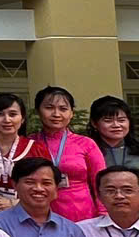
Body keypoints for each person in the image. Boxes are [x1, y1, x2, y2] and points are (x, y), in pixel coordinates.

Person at [30, 86, 108, 223]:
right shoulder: (30, 143)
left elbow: (101, 181)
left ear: (71, 113)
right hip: (39, 212)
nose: (56, 114)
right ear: (38, 111)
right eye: (49, 108)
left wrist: (104, 213)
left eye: (63, 109)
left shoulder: (86, 144)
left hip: (82, 214)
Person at [0, 91, 35, 213]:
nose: (7, 120)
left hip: (26, 213)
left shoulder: (36, 148)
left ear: (22, 118)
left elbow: (46, 186)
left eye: (13, 114)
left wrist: (14, 203)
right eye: (0, 114)